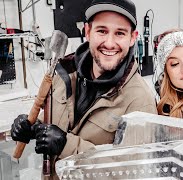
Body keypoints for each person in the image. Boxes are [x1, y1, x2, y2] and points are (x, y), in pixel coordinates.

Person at [11, 0, 157, 162]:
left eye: (120, 33)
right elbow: (56, 117)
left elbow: (132, 170)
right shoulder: (64, 74)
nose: (109, 43)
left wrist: (66, 146)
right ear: (88, 31)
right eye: (102, 31)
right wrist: (33, 126)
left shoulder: (140, 101)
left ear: (132, 38)